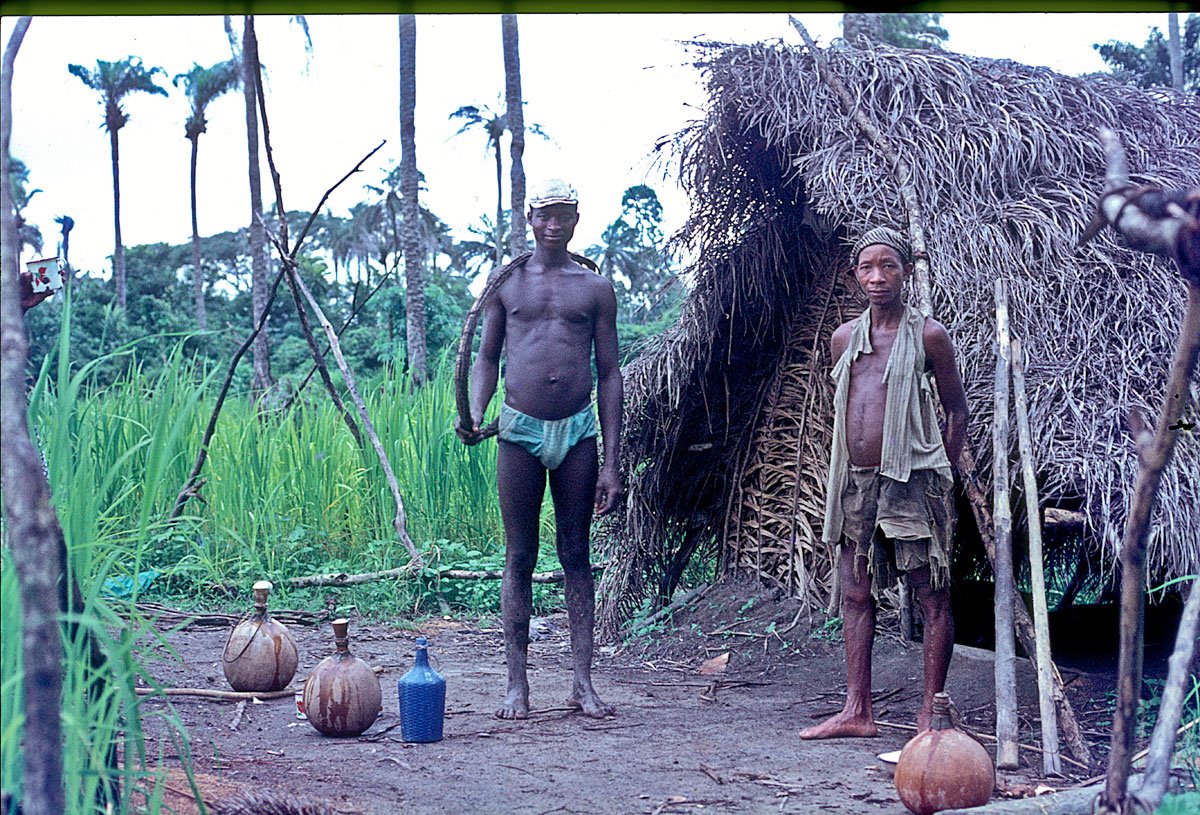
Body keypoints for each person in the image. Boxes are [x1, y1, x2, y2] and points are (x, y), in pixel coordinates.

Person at [456, 178, 623, 720]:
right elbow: (486, 357)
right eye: (544, 215)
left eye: (563, 215)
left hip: (578, 431)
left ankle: (582, 683)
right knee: (519, 555)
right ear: (529, 218)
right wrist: (475, 412)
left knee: (576, 553)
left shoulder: (594, 288)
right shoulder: (506, 284)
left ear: (577, 219)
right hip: (520, 428)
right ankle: (516, 686)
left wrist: (613, 464)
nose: (553, 224)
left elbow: (611, 372)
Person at [800, 226, 969, 739]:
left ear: (906, 272)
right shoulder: (844, 339)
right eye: (867, 267)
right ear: (855, 276)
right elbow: (850, 407)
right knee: (855, 592)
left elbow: (956, 411)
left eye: (888, 266)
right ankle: (858, 710)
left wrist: (945, 472)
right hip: (855, 481)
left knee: (931, 594)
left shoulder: (929, 336)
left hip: (915, 479)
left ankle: (929, 714)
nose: (877, 277)